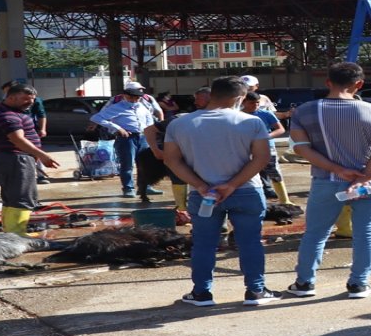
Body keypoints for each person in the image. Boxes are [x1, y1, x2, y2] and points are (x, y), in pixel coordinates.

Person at [164, 76, 277, 307]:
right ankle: (256, 290)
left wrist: (200, 185)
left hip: (204, 194)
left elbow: (172, 161)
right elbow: (262, 158)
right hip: (247, 190)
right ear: (240, 98)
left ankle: (201, 293)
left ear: (211, 94)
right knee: (250, 242)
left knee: (204, 244)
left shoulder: (179, 123)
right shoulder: (251, 122)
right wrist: (233, 184)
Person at [286, 62, 371, 300]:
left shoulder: (304, 111)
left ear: (328, 82)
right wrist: (364, 176)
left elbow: (302, 149)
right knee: (365, 233)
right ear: (359, 84)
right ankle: (359, 284)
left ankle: (305, 283)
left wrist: (338, 169)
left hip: (327, 180)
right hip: (370, 181)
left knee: (315, 234)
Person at [0, 83, 60, 236]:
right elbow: (17, 139)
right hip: (15, 159)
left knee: (11, 196)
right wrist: (42, 155)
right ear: (12, 97)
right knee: (22, 196)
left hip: (9, 158)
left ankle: (11, 232)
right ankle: (17, 233)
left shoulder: (7, 110)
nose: (31, 103)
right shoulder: (8, 115)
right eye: (26, 99)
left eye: (32, 99)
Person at [91, 81, 157, 200]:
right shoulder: (117, 107)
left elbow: (149, 121)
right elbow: (97, 117)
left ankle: (145, 187)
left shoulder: (143, 106)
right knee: (127, 164)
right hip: (127, 138)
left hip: (142, 137)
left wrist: (150, 134)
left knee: (145, 164)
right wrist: (118, 128)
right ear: (125, 96)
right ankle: (128, 188)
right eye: (131, 97)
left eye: (136, 97)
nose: (134, 99)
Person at [242, 91, 292, 204]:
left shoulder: (265, 114)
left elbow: (281, 129)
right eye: (252, 103)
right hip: (246, 149)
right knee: (248, 174)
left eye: (257, 103)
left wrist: (266, 137)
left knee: (274, 173)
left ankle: (285, 200)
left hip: (266, 148)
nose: (255, 105)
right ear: (244, 102)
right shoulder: (238, 115)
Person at [2, 81, 52, 184]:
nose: (7, 95)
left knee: (35, 151)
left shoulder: (33, 101)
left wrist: (43, 129)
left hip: (29, 130)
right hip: (15, 131)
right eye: (6, 93)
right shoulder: (7, 106)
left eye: (9, 91)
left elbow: (41, 115)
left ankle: (40, 175)